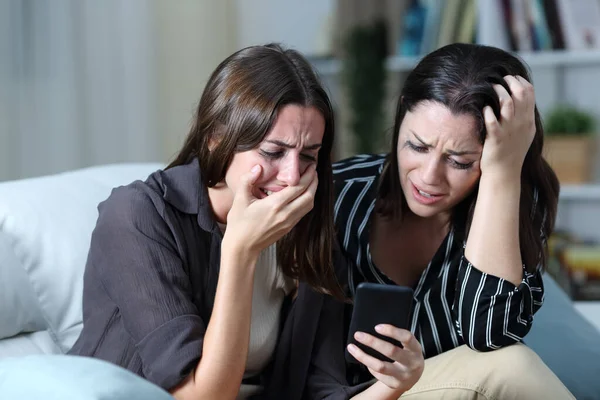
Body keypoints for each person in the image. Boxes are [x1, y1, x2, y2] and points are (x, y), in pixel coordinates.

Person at [68, 43, 348, 399]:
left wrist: (393, 384)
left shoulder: (305, 232)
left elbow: (321, 392)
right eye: (273, 152)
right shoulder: (136, 215)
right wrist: (241, 251)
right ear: (217, 140)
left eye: (308, 156)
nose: (292, 177)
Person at [302, 43, 574, 398]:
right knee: (514, 368)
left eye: (460, 162)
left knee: (511, 362)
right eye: (417, 146)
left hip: (441, 391)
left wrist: (503, 176)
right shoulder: (337, 194)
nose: (429, 177)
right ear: (401, 115)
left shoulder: (513, 203)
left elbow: (491, 334)